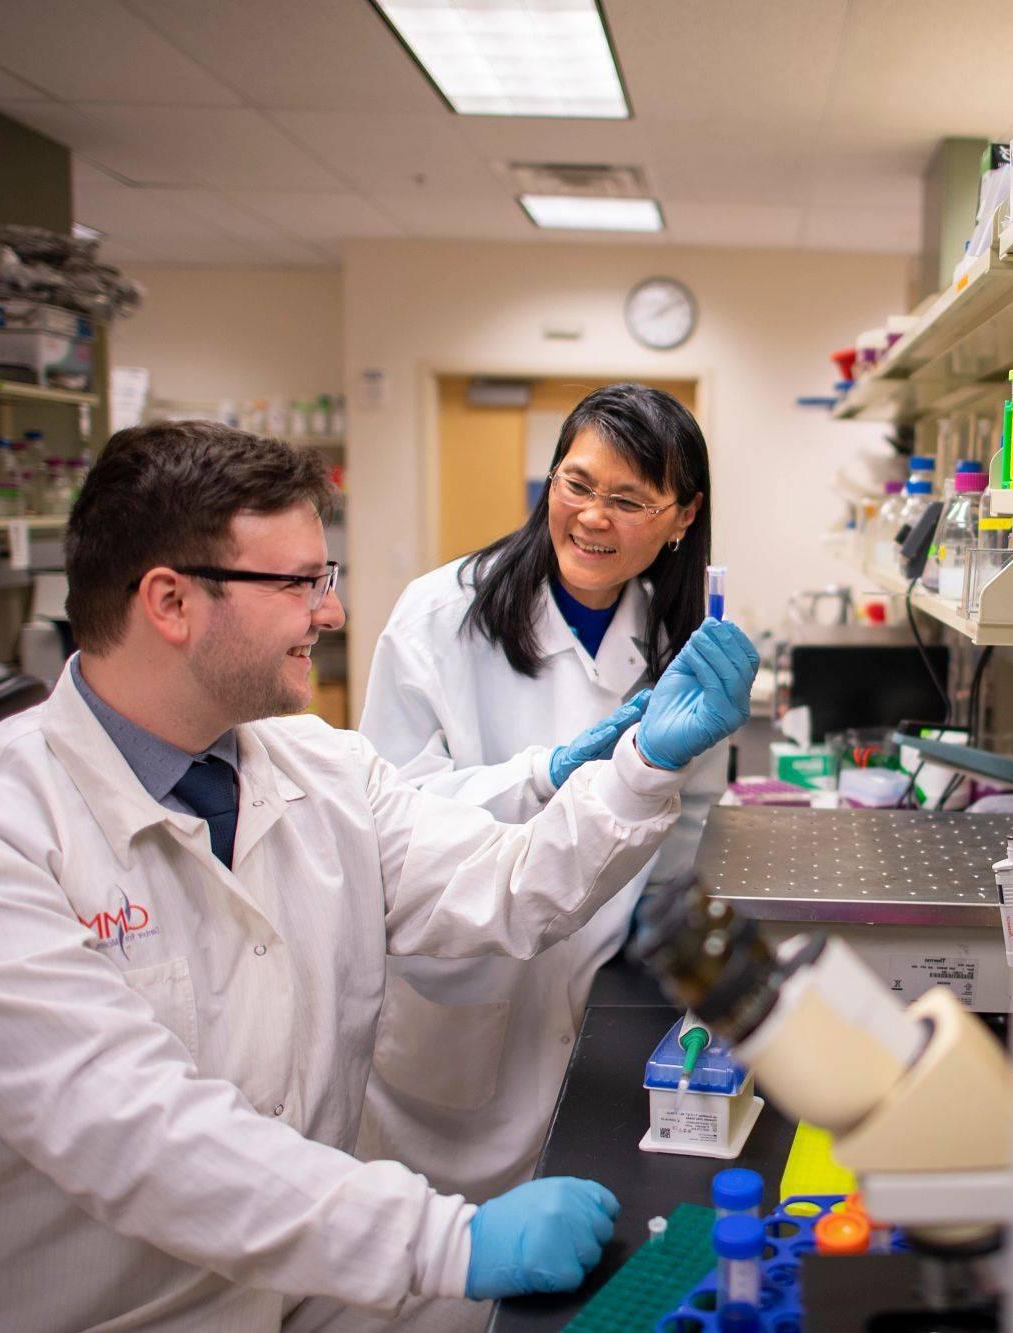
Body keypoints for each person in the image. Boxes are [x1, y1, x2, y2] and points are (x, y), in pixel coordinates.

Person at [0, 420, 758, 1331]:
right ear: (170, 601)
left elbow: (504, 884)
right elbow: (141, 1133)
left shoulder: (320, 768)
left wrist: (640, 766)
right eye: (300, 584)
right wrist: (450, 1243)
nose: (330, 612)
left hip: (303, 1295)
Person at [288, 384, 728, 1333]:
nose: (592, 517)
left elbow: (679, 814)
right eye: (576, 483)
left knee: (563, 1285)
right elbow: (389, 814)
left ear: (682, 515)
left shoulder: (675, 634)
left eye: (629, 499)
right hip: (462, 992)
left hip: (597, 993)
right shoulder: (437, 616)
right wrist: (545, 774)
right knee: (422, 1292)